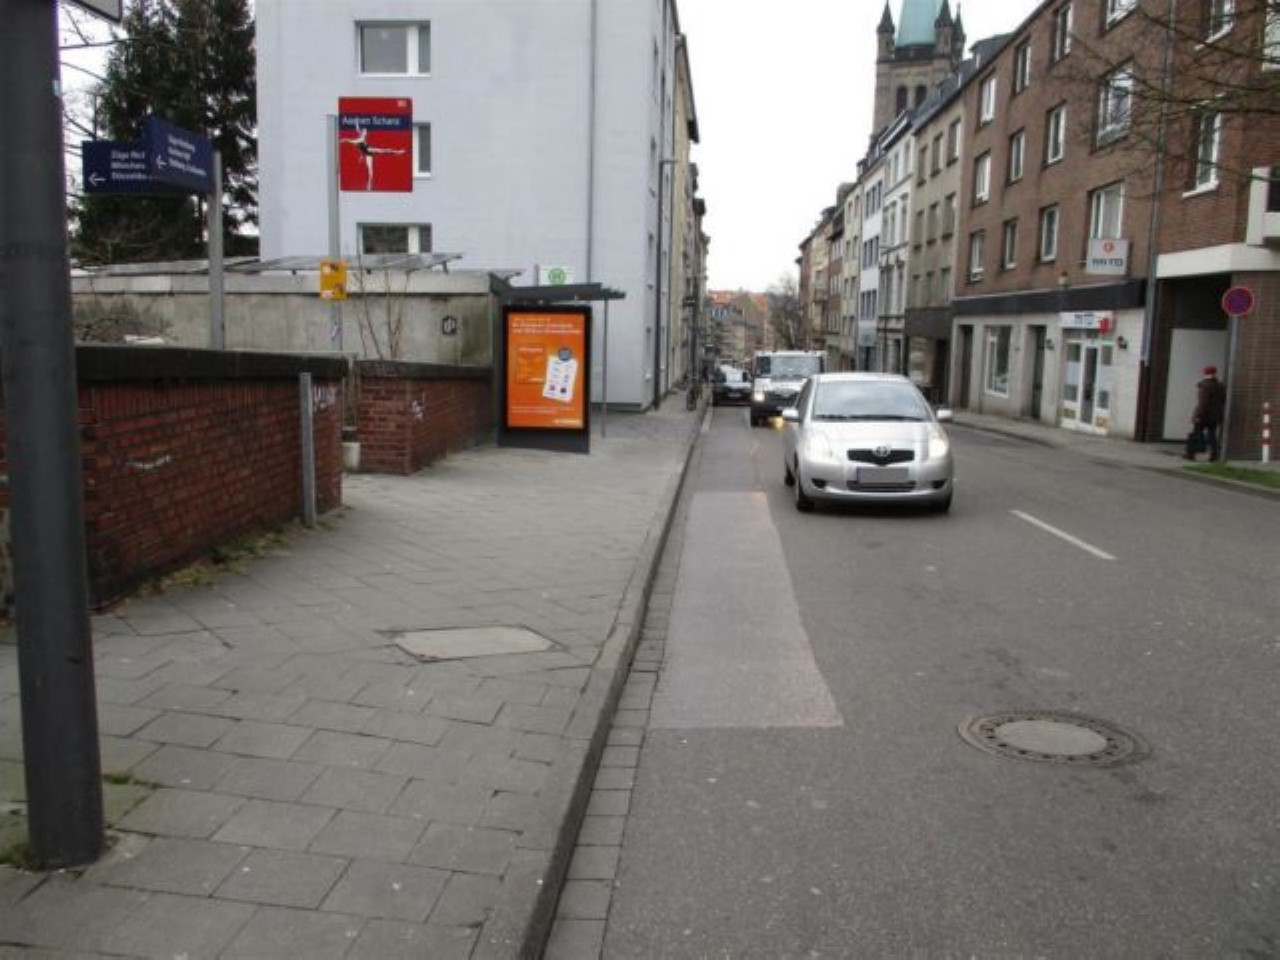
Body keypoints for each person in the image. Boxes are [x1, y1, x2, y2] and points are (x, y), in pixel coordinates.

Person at [1185, 365, 1226, 461]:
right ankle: (1214, 455)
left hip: (1204, 415)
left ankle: (1191, 454)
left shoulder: (1205, 385)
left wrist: (1198, 415)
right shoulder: (1220, 386)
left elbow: (1203, 403)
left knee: (1195, 434)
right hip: (1215, 416)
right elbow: (1223, 400)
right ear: (1215, 373)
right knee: (1212, 435)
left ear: (1205, 373)